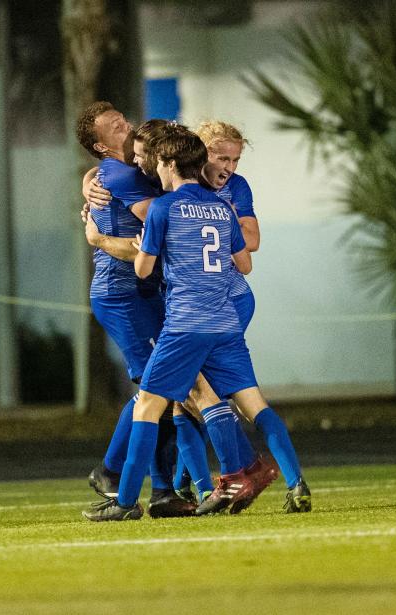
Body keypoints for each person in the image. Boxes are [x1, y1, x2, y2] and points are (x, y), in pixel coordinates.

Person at [83, 126, 309, 521]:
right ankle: (275, 481)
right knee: (250, 404)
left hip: (185, 323)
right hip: (225, 320)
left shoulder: (163, 209)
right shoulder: (223, 208)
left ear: (169, 163)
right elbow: (245, 264)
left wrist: (125, 244)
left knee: (149, 407)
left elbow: (143, 270)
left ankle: (124, 503)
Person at [74, 103, 193, 517]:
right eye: (114, 127)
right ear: (99, 145)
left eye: (124, 120)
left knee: (165, 389)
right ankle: (114, 473)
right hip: (121, 294)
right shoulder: (121, 174)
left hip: (146, 292)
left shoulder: (126, 170)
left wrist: (88, 180)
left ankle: (162, 491)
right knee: (156, 388)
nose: (126, 127)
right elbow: (164, 222)